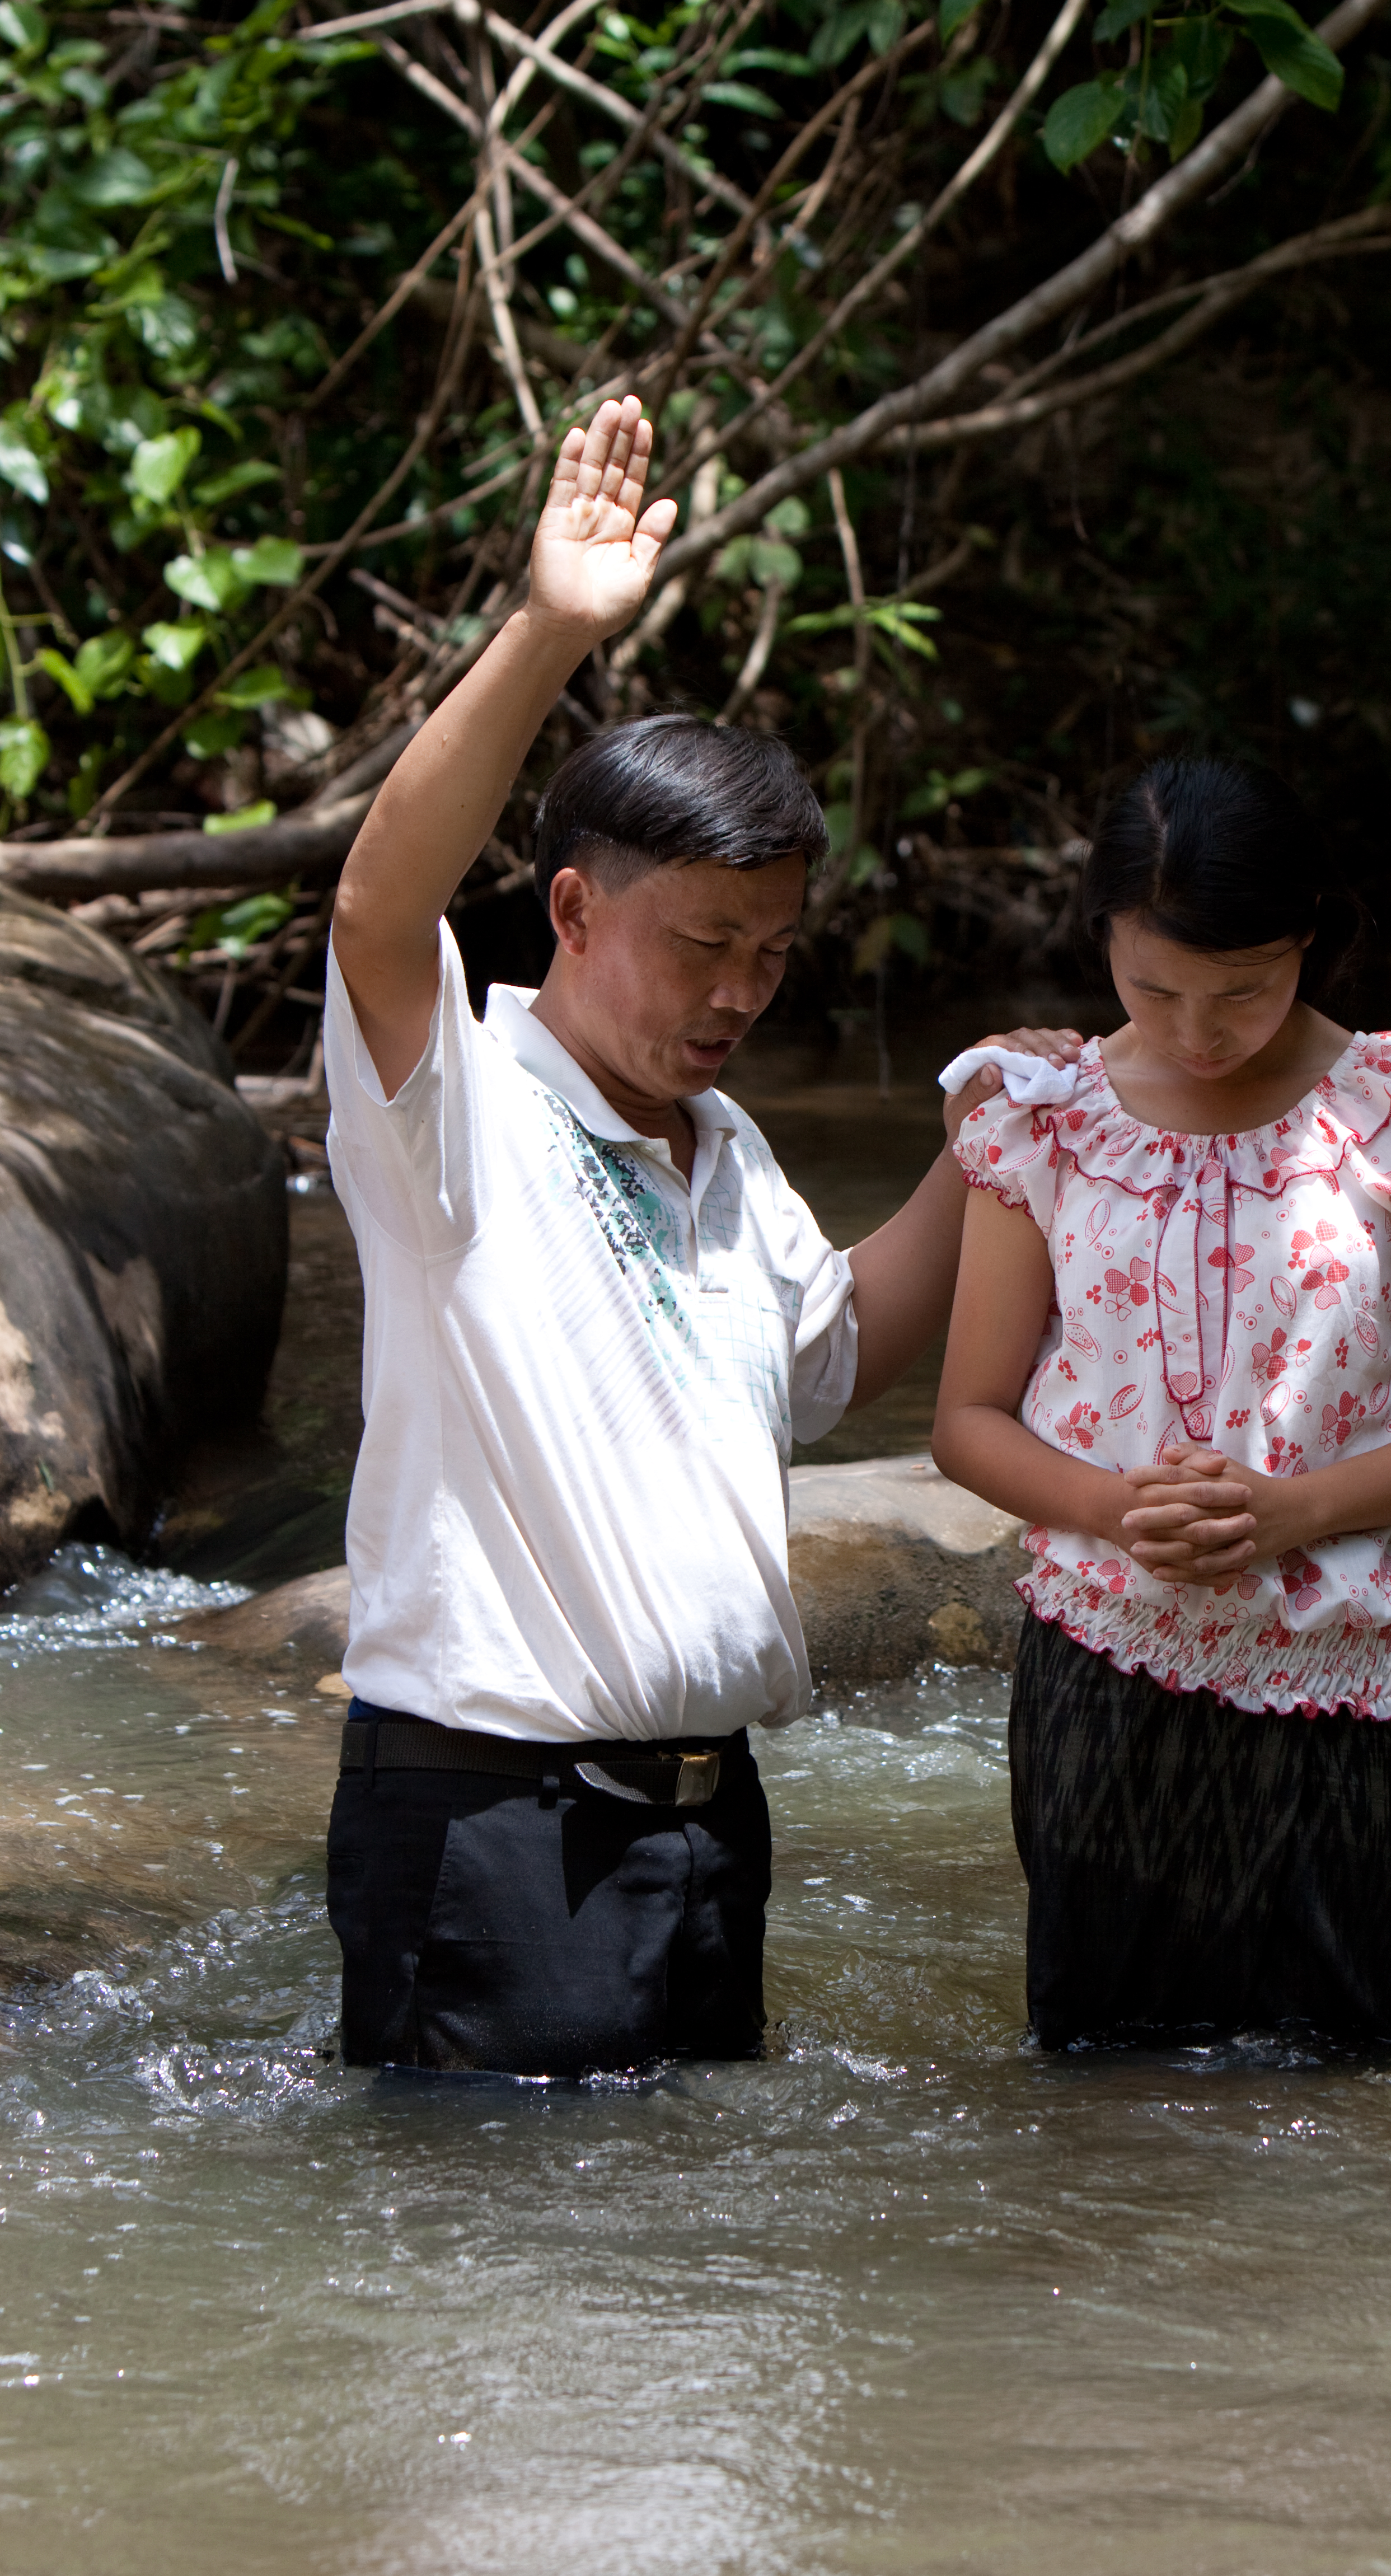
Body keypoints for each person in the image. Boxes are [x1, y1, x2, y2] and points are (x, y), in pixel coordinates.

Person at [321, 394, 1077, 2077]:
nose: (744, 989)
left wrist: (974, 1157)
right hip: (496, 1819)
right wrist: (549, 628)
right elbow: (379, 909)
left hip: (704, 1814)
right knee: (510, 2290)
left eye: (778, 948)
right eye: (705, 943)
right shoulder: (453, 1109)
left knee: (688, 2284)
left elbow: (832, 1363)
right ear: (575, 910)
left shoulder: (723, 1143)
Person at [931, 755, 1391, 2055]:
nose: (1197, 1032)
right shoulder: (1047, 1124)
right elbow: (967, 1419)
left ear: (1308, 937)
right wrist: (1113, 1508)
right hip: (1102, 1660)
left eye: (1243, 993)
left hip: (1333, 1674)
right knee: (1100, 2082)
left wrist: (1292, 1510)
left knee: (1340, 2081)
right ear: (1101, 940)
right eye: (1153, 989)